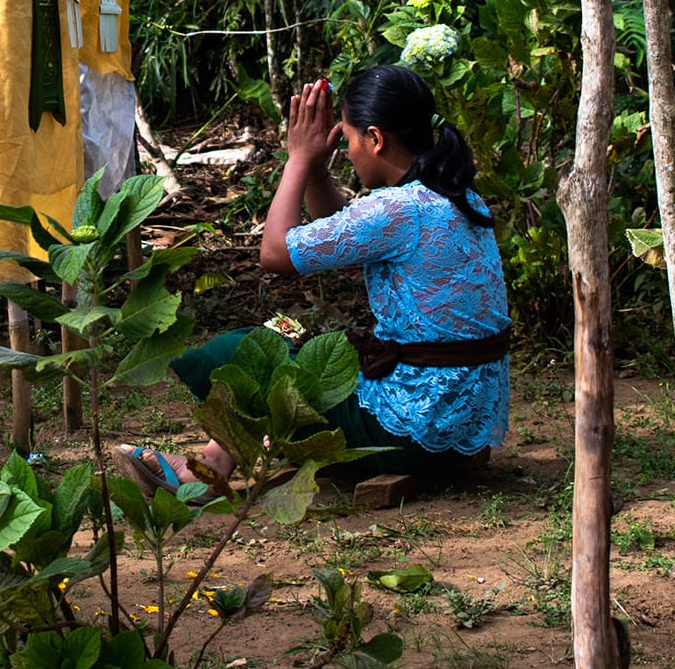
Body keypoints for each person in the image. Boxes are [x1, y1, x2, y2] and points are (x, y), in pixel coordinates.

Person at [118, 64, 511, 494]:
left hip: (414, 427)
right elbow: (344, 235)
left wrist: (299, 159)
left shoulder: (396, 210)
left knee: (249, 349)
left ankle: (206, 472)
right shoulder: (460, 196)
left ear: (376, 139)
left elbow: (274, 253)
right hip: (467, 422)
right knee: (295, 342)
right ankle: (213, 461)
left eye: (348, 138)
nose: (346, 150)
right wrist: (320, 173)